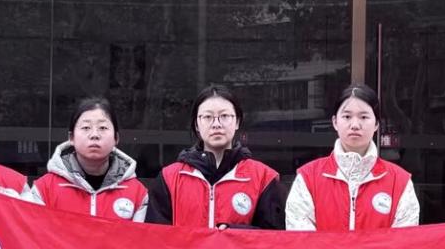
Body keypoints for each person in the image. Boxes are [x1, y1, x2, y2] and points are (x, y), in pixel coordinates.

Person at [146, 84, 284, 229]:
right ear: (197, 125)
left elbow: (275, 237)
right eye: (207, 117)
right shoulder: (169, 178)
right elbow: (155, 237)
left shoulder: (263, 178)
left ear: (237, 122)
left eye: (224, 116)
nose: (216, 124)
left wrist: (233, 233)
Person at [286, 84, 419, 230]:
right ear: (335, 122)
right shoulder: (308, 178)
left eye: (364, 117)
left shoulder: (399, 181)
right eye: (347, 116)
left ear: (376, 124)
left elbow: (404, 240)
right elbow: (301, 238)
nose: (355, 125)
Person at [31, 97, 149, 220]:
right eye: (86, 127)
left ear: (116, 138)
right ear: (71, 137)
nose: (94, 135)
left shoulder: (137, 193)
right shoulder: (45, 188)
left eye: (102, 128)